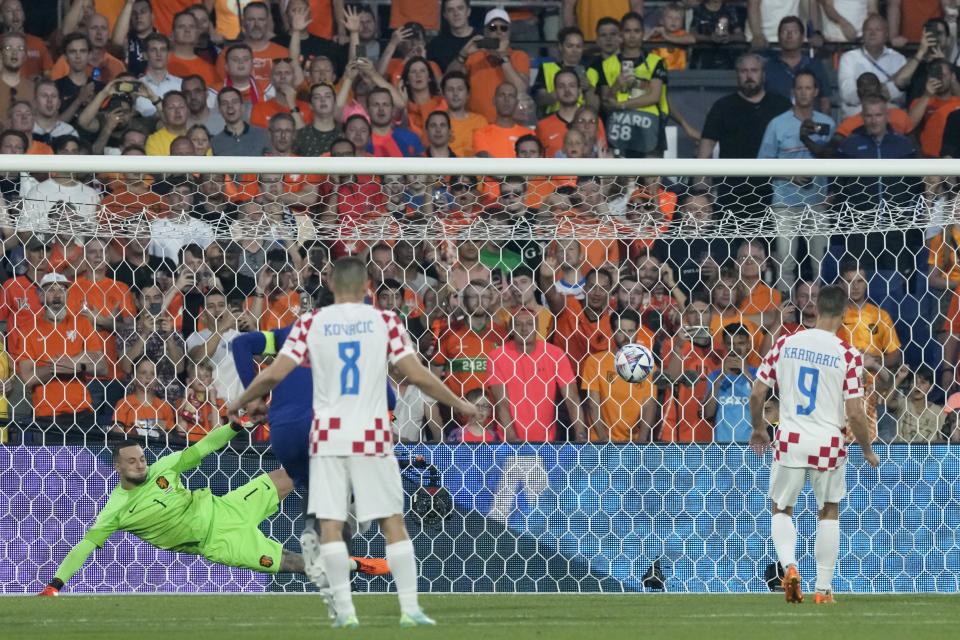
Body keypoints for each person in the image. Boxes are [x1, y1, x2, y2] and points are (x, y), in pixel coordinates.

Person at [227, 256, 478, 628]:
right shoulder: (386, 321)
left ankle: (344, 613)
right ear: (367, 288)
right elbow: (416, 375)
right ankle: (410, 610)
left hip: (327, 435)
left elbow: (276, 372)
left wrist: (239, 402)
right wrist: (460, 403)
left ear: (330, 286)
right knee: (393, 522)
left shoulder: (310, 323)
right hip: (369, 433)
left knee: (330, 524)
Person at [36, 420, 383, 596]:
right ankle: (357, 564)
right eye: (132, 461)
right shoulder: (116, 509)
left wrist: (235, 425)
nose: (141, 464)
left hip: (227, 507)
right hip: (219, 542)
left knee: (292, 472)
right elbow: (85, 546)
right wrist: (55, 584)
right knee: (296, 563)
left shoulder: (163, 469)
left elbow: (203, 448)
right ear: (117, 468)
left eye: (142, 458)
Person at [749, 283, 881, 605]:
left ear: (817, 308)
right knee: (829, 512)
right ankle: (823, 590)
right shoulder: (848, 354)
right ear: (846, 313)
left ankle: (790, 568)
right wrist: (866, 448)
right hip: (828, 443)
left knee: (781, 509)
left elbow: (756, 394)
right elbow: (854, 411)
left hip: (790, 439)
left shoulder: (784, 343)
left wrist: (758, 429)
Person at [757, 69, 834, 291]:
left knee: (821, 262)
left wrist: (832, 192)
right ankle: (786, 316)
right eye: (799, 88)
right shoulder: (777, 124)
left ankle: (822, 312)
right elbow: (762, 165)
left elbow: (835, 161)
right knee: (786, 262)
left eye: (808, 88)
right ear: (793, 92)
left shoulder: (826, 123)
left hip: (818, 201)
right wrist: (791, 176)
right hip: (784, 201)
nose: (803, 93)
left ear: (816, 92)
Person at [9, 272, 105, 437]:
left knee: (86, 463)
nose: (57, 295)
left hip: (83, 412)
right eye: (51, 290)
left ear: (67, 295)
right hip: (47, 416)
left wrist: (75, 366)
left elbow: (102, 367)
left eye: (62, 289)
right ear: (40, 297)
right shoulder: (27, 330)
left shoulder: (82, 323)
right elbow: (28, 378)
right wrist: (61, 367)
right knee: (51, 463)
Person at [698, 53, 791, 217]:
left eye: (754, 70)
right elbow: (706, 149)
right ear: (737, 74)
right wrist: (701, 187)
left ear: (763, 74)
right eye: (744, 71)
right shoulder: (722, 107)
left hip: (775, 192)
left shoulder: (781, 105)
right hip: (732, 193)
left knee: (770, 243)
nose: (749, 76)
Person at [487, 306, 585, 443]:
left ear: (537, 327)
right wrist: (511, 438)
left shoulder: (555, 354)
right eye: (519, 324)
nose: (524, 329)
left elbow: (572, 398)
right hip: (508, 442)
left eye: (529, 324)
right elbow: (501, 402)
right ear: (511, 329)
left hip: (546, 442)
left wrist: (580, 434)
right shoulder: (497, 356)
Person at [597, 11, 668, 158]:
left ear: (643, 33)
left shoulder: (656, 61)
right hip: (618, 128)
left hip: (649, 125)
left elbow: (654, 96)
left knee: (651, 179)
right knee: (622, 179)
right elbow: (606, 103)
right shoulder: (607, 65)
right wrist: (616, 86)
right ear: (621, 35)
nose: (632, 35)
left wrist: (622, 105)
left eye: (636, 31)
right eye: (628, 31)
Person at [581, 309, 657, 442]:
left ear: (637, 333)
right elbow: (593, 405)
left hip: (634, 442)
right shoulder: (595, 362)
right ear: (612, 332)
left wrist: (641, 441)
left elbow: (649, 405)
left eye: (631, 331)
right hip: (600, 441)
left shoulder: (648, 365)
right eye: (621, 331)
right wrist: (604, 440)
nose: (626, 336)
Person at [450, 9, 530, 124]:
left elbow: (520, 89)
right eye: (493, 28)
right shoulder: (474, 57)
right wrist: (463, 54)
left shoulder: (519, 56)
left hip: (508, 126)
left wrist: (503, 56)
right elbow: (448, 82)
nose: (499, 32)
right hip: (476, 125)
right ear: (485, 32)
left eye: (504, 28)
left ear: (509, 32)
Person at [836, 14, 907, 120]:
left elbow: (900, 95)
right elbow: (848, 94)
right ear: (863, 34)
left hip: (889, 116)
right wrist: (883, 90)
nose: (873, 33)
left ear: (886, 34)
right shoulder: (849, 58)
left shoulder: (899, 59)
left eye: (878, 29)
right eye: (869, 29)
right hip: (856, 115)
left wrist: (866, 91)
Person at [763, 16, 831, 114]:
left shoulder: (815, 66)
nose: (789, 36)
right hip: (777, 125)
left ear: (802, 37)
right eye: (785, 32)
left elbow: (825, 100)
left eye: (794, 32)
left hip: (810, 124)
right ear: (778, 37)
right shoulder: (768, 67)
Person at [703, 323, 757, 443]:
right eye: (730, 344)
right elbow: (707, 414)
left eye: (740, 343)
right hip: (722, 448)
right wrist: (720, 378)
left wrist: (746, 374)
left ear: (749, 345)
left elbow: (765, 408)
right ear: (724, 346)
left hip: (752, 448)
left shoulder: (759, 374)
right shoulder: (715, 376)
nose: (735, 348)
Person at [473, 82, 530, 158]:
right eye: (502, 95)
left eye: (511, 96)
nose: (506, 100)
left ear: (516, 103)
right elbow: (486, 163)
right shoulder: (481, 134)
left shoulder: (529, 134)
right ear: (494, 101)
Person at [211, 86, 270, 157]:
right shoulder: (214, 143)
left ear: (242, 106)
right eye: (224, 103)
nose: (230, 106)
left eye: (234, 102)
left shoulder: (263, 135)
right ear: (220, 110)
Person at [441, 70, 487, 158]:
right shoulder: (437, 122)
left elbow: (484, 155)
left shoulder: (480, 122)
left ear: (468, 94)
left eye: (460, 89)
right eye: (450, 90)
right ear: (443, 94)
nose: (455, 94)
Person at [366, 87, 423, 157]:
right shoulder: (360, 140)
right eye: (376, 105)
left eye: (385, 105)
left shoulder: (410, 138)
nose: (381, 109)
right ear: (367, 110)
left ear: (393, 110)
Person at [428, 0, 479, 72]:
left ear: (468, 11)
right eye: (450, 10)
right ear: (444, 15)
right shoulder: (436, 45)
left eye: (460, 8)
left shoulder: (482, 38)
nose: (456, 13)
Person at [293, 82, 338, 156]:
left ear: (335, 102)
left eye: (328, 96)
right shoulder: (300, 136)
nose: (323, 100)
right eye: (317, 97)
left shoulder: (345, 134)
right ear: (310, 105)